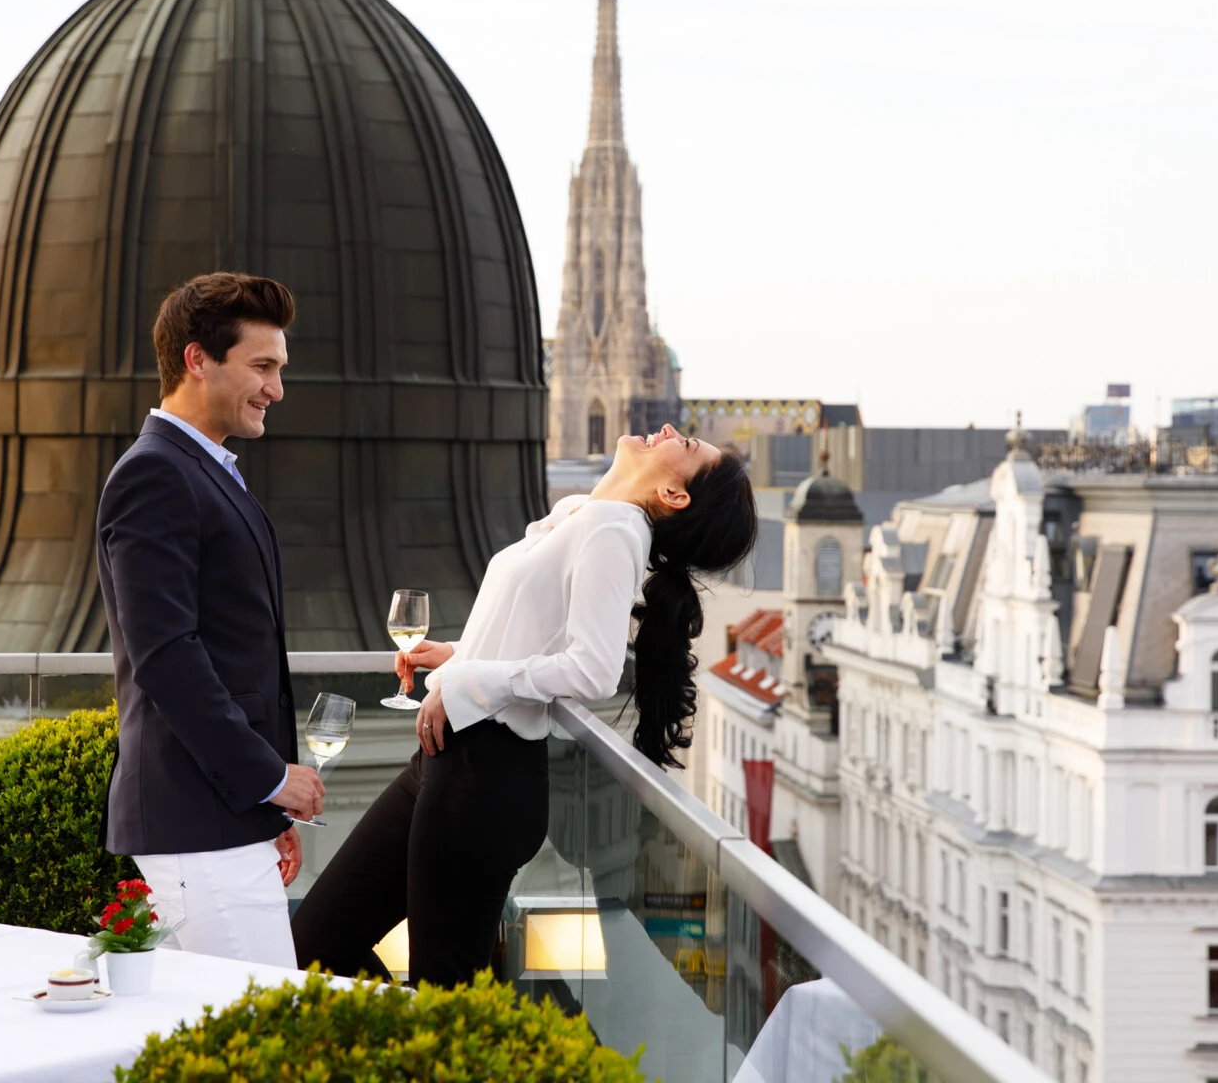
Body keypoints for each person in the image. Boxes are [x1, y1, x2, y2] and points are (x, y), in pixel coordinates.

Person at [292, 423, 757, 986]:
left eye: (682, 445)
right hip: (451, 765)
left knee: (441, 991)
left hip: (485, 779)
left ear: (674, 496)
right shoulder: (588, 516)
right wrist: (463, 656)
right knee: (319, 942)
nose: (667, 430)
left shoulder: (615, 529)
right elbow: (541, 633)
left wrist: (471, 682)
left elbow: (593, 668)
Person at [98, 272, 322, 968]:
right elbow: (167, 656)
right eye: (262, 367)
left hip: (223, 821)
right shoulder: (155, 475)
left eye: (278, 369)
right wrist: (267, 777)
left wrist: (267, 810)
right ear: (197, 361)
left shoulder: (202, 469)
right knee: (260, 1042)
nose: (276, 389)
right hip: (198, 825)